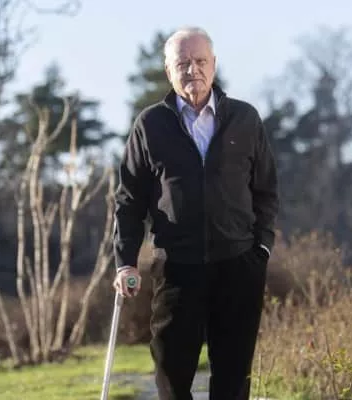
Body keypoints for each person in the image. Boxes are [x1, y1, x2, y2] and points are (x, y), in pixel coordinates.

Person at [112, 26, 279, 400]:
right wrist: (125, 262)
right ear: (168, 71)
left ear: (214, 64)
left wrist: (262, 248)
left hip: (238, 264)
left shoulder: (245, 119)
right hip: (176, 267)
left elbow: (266, 191)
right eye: (183, 63)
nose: (193, 70)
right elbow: (129, 200)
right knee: (171, 376)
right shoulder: (150, 125)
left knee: (233, 380)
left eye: (201, 61)